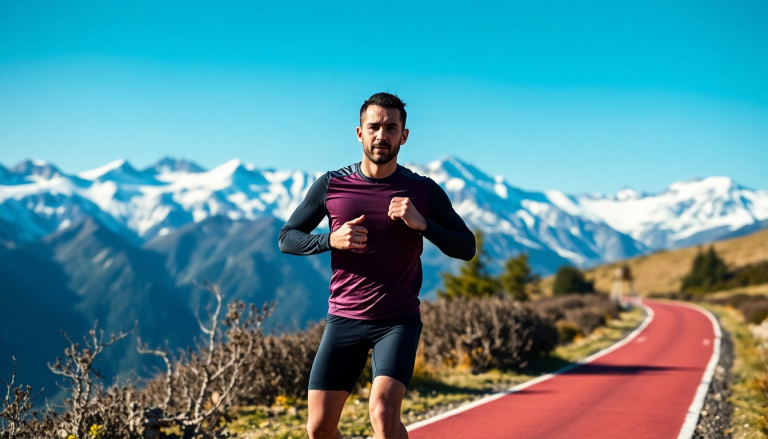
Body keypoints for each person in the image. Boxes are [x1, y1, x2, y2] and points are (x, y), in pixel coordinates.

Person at [278, 92, 475, 439]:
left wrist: (424, 225)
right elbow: (287, 238)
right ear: (359, 133)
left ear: (404, 135)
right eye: (374, 127)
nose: (381, 135)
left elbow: (466, 247)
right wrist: (330, 240)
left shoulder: (422, 191)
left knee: (383, 413)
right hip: (343, 320)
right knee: (319, 428)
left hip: (397, 322)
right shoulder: (331, 185)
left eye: (390, 127)